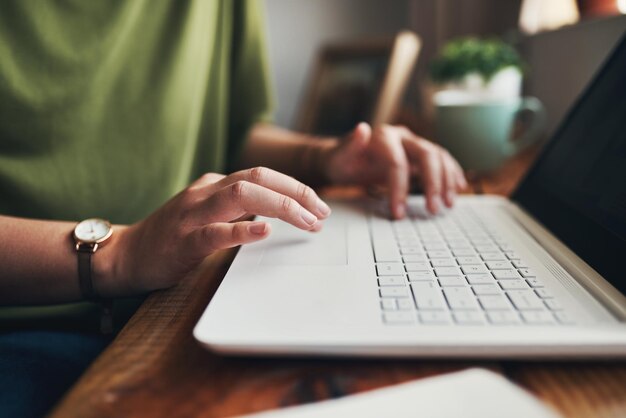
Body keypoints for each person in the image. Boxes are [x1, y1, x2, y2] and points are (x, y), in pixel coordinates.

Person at [0, 1, 466, 416]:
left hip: (183, 297)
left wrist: (324, 156)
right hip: (27, 328)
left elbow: (237, 131)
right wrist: (122, 253)